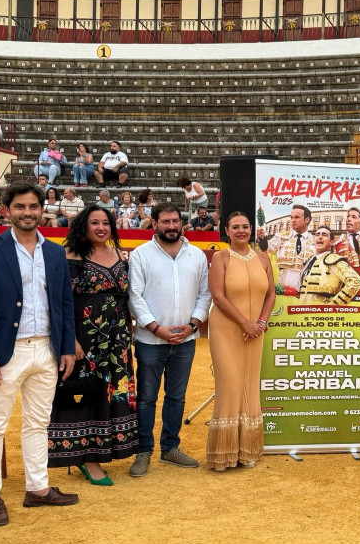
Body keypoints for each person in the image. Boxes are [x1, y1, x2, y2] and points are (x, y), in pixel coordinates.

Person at [0, 181, 79, 527]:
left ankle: (38, 489)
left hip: (45, 350)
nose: (27, 213)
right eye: (20, 207)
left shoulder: (55, 252)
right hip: (5, 353)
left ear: (42, 210)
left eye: (33, 206)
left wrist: (66, 348)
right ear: (6, 210)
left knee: (37, 424)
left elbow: (63, 303)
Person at [47, 206, 139, 485]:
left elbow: (123, 296)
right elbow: (62, 304)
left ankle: (102, 450)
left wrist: (128, 327)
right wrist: (70, 340)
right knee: (88, 394)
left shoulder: (118, 255)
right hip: (85, 340)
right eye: (94, 223)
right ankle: (88, 459)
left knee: (112, 394)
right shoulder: (70, 257)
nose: (101, 227)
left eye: (106, 223)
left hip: (118, 341)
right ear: (83, 228)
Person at [128, 203, 211, 477]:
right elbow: (135, 297)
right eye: (166, 221)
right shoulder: (141, 255)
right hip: (150, 340)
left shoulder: (197, 255)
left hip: (186, 339)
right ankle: (143, 450)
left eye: (176, 221)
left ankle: (170, 448)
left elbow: (205, 294)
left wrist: (192, 325)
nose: (172, 226)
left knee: (176, 397)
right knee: (147, 398)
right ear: (154, 223)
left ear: (182, 222)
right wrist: (155, 328)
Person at [206, 211, 276, 471]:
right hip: (227, 328)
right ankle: (224, 453)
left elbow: (271, 294)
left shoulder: (262, 258)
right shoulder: (220, 257)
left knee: (249, 384)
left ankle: (247, 450)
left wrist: (261, 322)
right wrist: (245, 323)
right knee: (231, 384)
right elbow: (218, 297)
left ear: (251, 229)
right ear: (227, 230)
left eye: (245, 226)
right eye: (235, 227)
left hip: (255, 331)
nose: (241, 231)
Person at [299, 225, 360, 305]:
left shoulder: (334, 260)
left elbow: (356, 282)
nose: (320, 237)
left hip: (324, 313)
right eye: (317, 234)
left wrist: (334, 304)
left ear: (331, 242)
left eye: (324, 235)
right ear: (313, 240)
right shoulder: (311, 261)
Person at [257, 204, 315, 291]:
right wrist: (261, 238)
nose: (293, 220)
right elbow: (266, 248)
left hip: (306, 291)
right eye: (291, 218)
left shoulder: (315, 241)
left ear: (307, 220)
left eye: (296, 217)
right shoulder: (281, 237)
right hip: (283, 288)